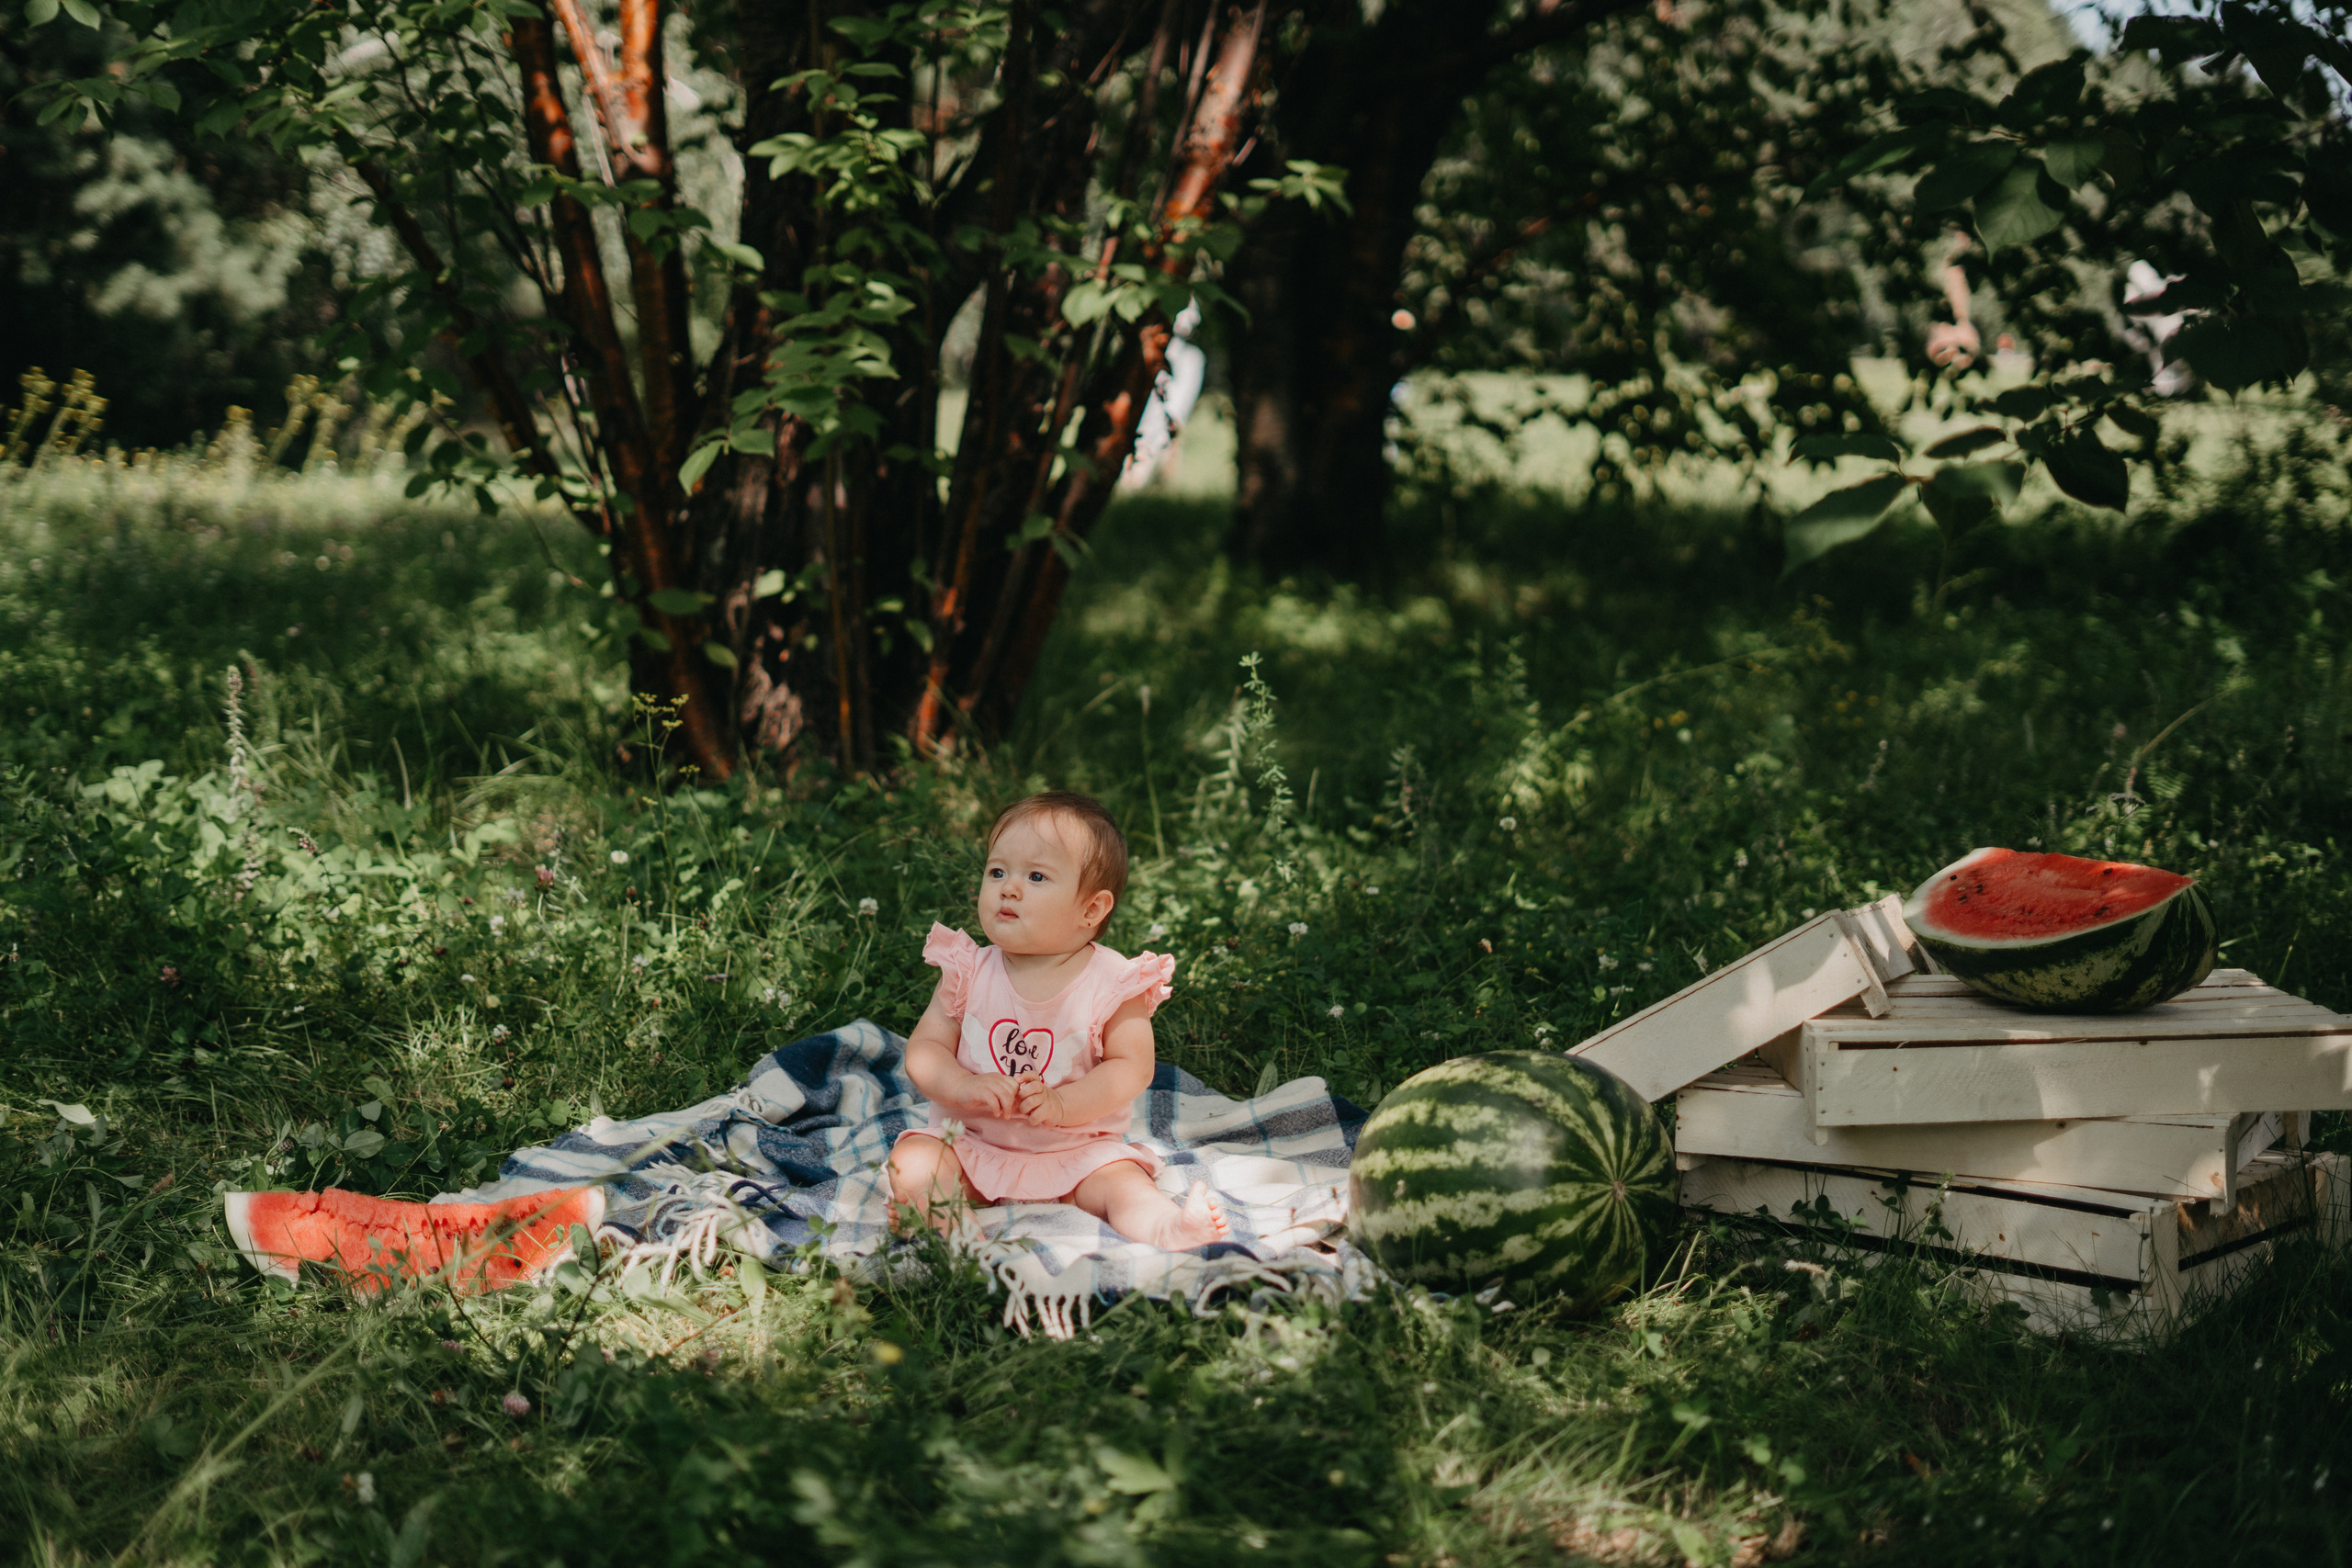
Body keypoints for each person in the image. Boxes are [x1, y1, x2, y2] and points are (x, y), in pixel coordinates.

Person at [887, 792, 1229, 1249]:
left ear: (1091, 909)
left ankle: (1169, 1228)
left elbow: (1132, 1067)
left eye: (1036, 875)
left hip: (1079, 1154)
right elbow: (926, 1049)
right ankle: (948, 1231)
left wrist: (1063, 1105)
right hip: (972, 1146)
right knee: (914, 1159)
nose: (1009, 887)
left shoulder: (1113, 982)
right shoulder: (969, 971)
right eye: (997, 871)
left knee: (1123, 1184)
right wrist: (962, 1087)